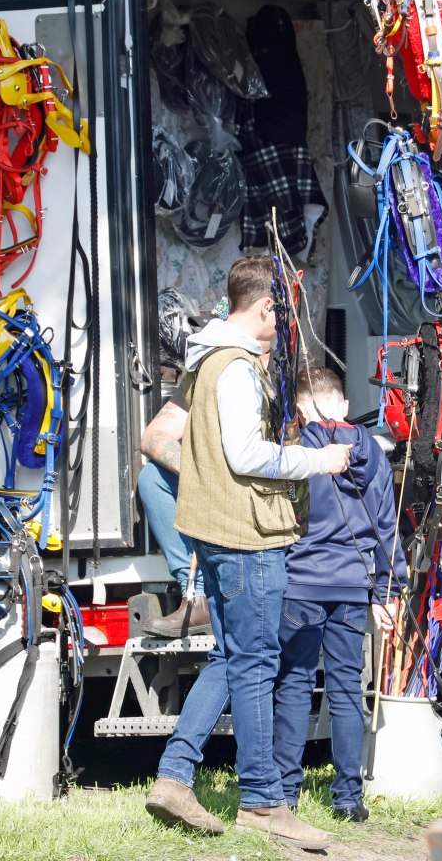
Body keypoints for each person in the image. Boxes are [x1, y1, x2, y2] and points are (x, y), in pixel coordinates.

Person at [145, 255, 350, 851]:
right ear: (264, 307)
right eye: (281, 310)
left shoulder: (207, 358)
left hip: (219, 533)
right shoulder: (234, 367)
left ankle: (176, 776)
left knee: (235, 657)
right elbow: (247, 455)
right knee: (257, 664)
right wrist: (321, 459)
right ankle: (263, 804)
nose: (284, 320)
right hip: (246, 536)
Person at [273, 367, 407, 822]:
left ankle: (285, 794)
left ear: (300, 408)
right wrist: (389, 589)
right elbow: (388, 527)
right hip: (354, 586)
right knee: (348, 689)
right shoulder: (375, 455)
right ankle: (348, 798)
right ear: (345, 406)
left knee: (293, 685)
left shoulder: (295, 453)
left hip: (301, 584)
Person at [137, 391, 210, 636]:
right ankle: (196, 597)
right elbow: (152, 437)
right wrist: (200, 477)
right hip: (217, 482)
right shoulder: (201, 374)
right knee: (153, 477)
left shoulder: (281, 372)